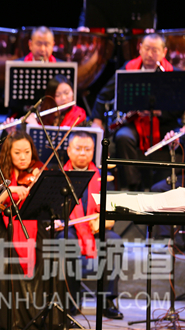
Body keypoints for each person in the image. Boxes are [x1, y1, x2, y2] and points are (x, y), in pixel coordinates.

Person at [0, 131, 66, 329]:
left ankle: (47, 319)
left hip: (37, 230)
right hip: (8, 232)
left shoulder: (39, 172)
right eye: (17, 153)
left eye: (27, 152)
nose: (23, 157)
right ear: (8, 154)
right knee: (3, 265)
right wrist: (10, 190)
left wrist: (40, 185)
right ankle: (9, 321)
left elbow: (51, 203)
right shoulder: (0, 175)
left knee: (53, 260)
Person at [91, 33, 181, 190]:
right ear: (140, 48)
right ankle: (134, 187)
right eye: (146, 49)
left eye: (155, 50)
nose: (150, 54)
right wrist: (97, 121)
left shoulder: (172, 73)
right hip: (135, 122)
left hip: (164, 123)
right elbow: (104, 95)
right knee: (123, 137)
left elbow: (181, 107)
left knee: (177, 140)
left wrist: (158, 112)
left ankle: (166, 187)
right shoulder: (129, 68)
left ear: (164, 52)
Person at [59, 131, 123, 319]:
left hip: (95, 227)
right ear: (69, 151)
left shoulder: (103, 177)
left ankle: (107, 300)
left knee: (114, 242)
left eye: (87, 149)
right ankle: (72, 299)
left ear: (93, 151)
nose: (82, 153)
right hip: (69, 227)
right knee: (66, 242)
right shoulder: (59, 175)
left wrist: (103, 220)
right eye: (78, 148)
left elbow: (111, 209)